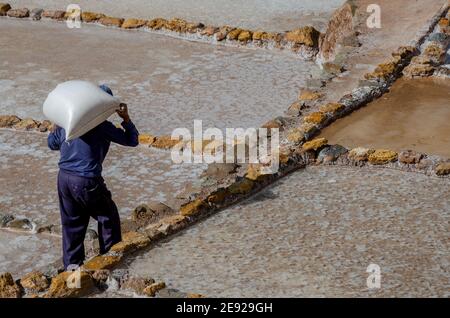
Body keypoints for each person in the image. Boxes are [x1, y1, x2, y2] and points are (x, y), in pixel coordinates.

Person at [47, 84, 139, 269]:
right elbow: (132, 140)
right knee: (108, 217)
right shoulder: (103, 127)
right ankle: (110, 263)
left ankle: (72, 271)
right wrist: (126, 119)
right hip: (86, 180)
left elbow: (51, 143)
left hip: (64, 179)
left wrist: (57, 122)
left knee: (73, 224)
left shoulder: (68, 124)